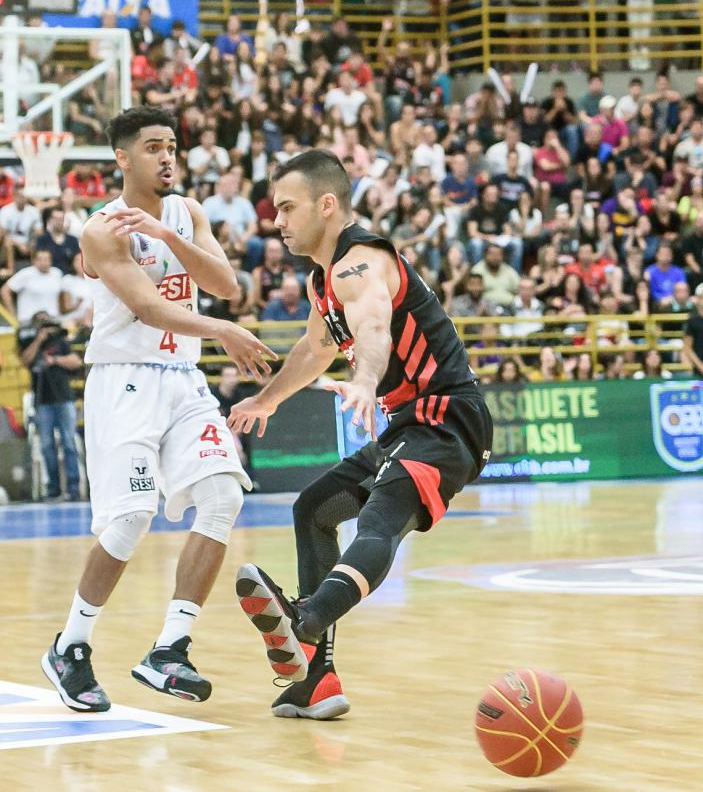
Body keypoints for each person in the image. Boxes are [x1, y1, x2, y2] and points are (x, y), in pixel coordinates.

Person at [228, 149, 493, 720]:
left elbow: (373, 327)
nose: (278, 220)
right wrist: (266, 399)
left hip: (447, 417)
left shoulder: (361, 261)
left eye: (287, 207)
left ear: (328, 205)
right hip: (412, 422)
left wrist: (366, 379)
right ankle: (316, 681)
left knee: (379, 520)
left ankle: (302, 623)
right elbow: (315, 348)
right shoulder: (325, 279)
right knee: (315, 508)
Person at [42, 107, 273, 712]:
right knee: (132, 518)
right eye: (152, 147)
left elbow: (225, 283)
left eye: (172, 146)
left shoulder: (186, 212)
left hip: (182, 376)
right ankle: (71, 645)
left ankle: (169, 648)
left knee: (224, 495)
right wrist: (222, 329)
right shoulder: (102, 229)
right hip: (124, 382)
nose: (167, 157)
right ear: (123, 158)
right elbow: (148, 308)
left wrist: (173, 237)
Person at [18, 312, 82, 502]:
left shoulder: (59, 340)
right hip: (42, 399)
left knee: (69, 442)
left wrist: (54, 360)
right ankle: (53, 489)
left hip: (63, 397)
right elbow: (25, 360)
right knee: (46, 445)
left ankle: (73, 488)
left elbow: (75, 361)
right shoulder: (28, 340)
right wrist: (39, 340)